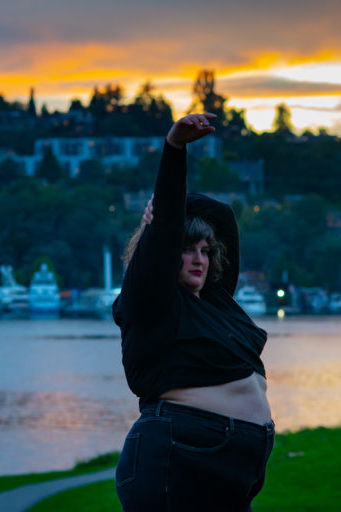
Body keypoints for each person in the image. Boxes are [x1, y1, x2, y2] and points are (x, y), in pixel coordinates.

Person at [112, 113, 273, 512]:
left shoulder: (217, 304)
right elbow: (164, 234)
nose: (198, 260)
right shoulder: (152, 301)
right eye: (187, 250)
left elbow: (224, 218)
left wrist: (181, 207)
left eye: (205, 251)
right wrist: (175, 148)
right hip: (177, 460)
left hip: (233, 470)